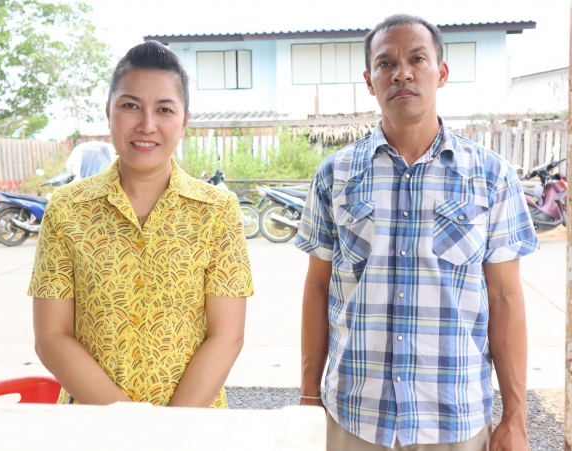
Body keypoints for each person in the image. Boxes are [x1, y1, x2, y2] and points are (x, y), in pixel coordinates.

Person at [295, 14, 538, 451]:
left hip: (455, 418)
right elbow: (317, 286)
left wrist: (515, 417)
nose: (402, 73)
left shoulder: (490, 176)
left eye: (417, 59)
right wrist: (309, 398)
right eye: (386, 63)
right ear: (370, 82)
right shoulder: (335, 174)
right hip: (356, 416)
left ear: (441, 73)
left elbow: (505, 297)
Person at [29, 41, 254, 407]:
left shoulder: (217, 211)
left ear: (184, 122)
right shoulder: (67, 209)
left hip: (192, 425)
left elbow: (226, 335)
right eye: (130, 106)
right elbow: (51, 336)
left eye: (164, 109)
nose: (147, 125)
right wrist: (129, 423)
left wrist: (168, 429)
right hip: (92, 423)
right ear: (109, 113)